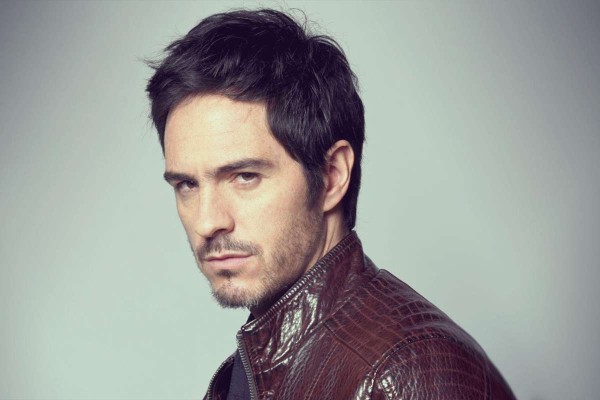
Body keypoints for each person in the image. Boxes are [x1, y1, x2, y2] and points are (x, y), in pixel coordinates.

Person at [146, 8, 515, 400]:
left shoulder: (407, 372)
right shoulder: (263, 358)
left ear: (332, 176)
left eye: (245, 176)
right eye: (186, 184)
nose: (207, 222)